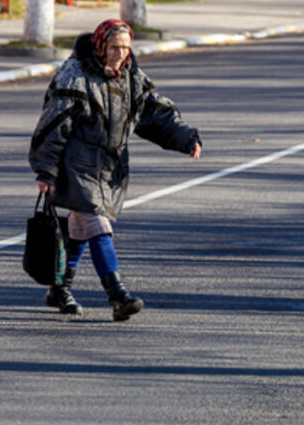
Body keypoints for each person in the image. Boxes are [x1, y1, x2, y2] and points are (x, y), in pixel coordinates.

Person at [29, 19, 202, 321]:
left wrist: (186, 139)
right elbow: (53, 126)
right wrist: (45, 170)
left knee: (81, 229)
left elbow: (156, 115)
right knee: (98, 226)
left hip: (110, 169)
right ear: (100, 46)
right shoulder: (76, 78)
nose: (120, 53)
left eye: (125, 47)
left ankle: (59, 288)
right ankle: (117, 294)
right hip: (76, 166)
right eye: (113, 47)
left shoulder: (132, 78)